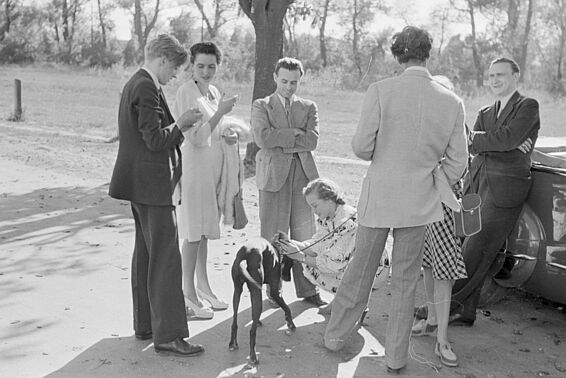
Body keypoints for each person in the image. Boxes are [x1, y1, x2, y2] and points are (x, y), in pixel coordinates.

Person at [323, 26, 468, 375]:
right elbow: (459, 161)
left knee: (361, 269)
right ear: (428, 54)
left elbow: (361, 147)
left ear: (398, 55)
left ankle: (335, 337)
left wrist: (382, 153)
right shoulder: (451, 101)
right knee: (406, 281)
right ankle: (396, 357)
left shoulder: (380, 90)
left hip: (380, 195)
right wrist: (433, 180)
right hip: (419, 203)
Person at [108, 34, 204, 357]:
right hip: (152, 184)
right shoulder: (147, 87)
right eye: (174, 69)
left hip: (139, 184)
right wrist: (183, 124)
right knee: (165, 258)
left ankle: (146, 324)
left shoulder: (136, 83)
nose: (175, 76)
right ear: (162, 60)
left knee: (147, 255)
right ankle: (170, 335)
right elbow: (155, 139)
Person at [449, 57, 540, 326]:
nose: (495, 80)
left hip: (505, 188)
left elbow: (506, 138)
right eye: (491, 76)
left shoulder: (528, 106)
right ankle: (464, 312)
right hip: (476, 184)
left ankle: (445, 307)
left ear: (515, 75)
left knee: (477, 247)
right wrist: (503, 142)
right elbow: (495, 143)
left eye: (501, 74)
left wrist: (488, 140)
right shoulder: (486, 111)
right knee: (465, 241)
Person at [173, 42, 243, 320]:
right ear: (192, 65)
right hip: (193, 170)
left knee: (203, 233)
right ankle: (187, 293)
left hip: (211, 170)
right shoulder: (185, 92)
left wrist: (229, 135)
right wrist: (220, 114)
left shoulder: (213, 91)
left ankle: (203, 287)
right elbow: (196, 137)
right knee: (193, 233)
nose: (206, 71)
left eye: (211, 66)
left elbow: (214, 133)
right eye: (201, 65)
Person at [251, 57, 327, 307]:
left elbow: (312, 141)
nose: (288, 87)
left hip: (304, 177)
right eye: (284, 81)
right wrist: (294, 135)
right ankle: (273, 290)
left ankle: (308, 290)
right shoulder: (261, 105)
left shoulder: (308, 106)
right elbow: (263, 139)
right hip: (273, 176)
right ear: (275, 77)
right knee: (273, 234)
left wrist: (281, 138)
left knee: (305, 234)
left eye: (294, 82)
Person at [410, 76, 468, 368]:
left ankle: (442, 339)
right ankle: (432, 321)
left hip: (443, 205)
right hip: (421, 203)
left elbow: (457, 165)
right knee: (428, 266)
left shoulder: (455, 121)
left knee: (444, 272)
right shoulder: (419, 122)